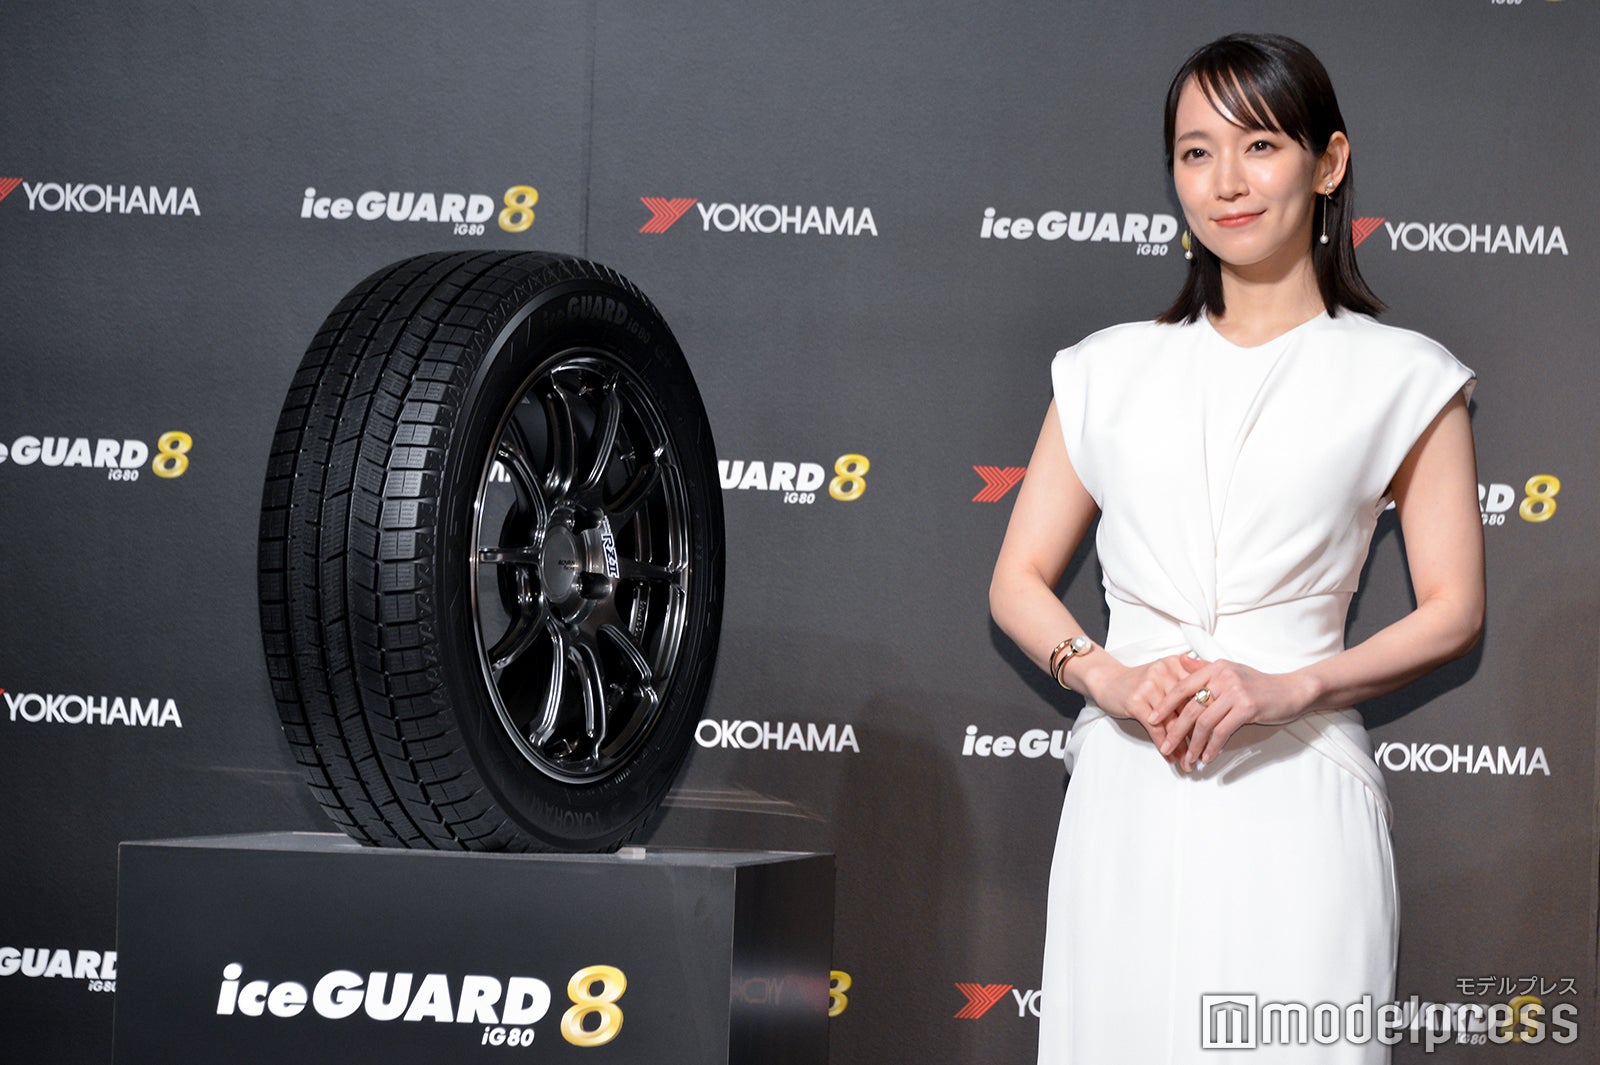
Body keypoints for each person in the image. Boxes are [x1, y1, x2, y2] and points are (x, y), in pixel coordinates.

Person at [988, 33, 1484, 1063]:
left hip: (1298, 788)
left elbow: (1453, 610)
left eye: (1259, 145)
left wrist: (1294, 688)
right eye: (1195, 152)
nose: (1225, 183)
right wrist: (1108, 678)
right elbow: (1017, 580)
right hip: (1126, 792)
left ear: (1327, 162)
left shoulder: (1406, 377)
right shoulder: (1105, 370)